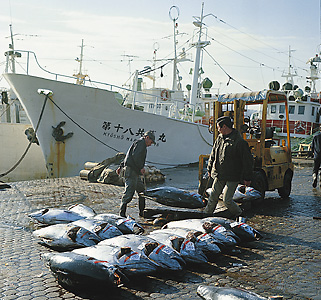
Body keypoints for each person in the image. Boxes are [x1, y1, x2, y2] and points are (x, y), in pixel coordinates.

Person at [204, 116, 253, 217]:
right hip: (219, 174)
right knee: (213, 196)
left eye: (218, 127)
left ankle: (239, 214)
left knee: (227, 200)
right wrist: (209, 169)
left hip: (232, 176)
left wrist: (247, 178)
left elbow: (247, 162)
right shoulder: (219, 138)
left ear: (225, 127)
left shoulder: (240, 143)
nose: (217, 130)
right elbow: (213, 154)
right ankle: (206, 215)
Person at [117, 130, 156, 217]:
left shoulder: (140, 143)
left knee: (142, 191)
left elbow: (128, 155)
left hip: (135, 171)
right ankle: (121, 214)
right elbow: (135, 156)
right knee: (129, 192)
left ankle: (142, 212)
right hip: (131, 171)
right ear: (147, 137)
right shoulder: (141, 143)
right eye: (151, 141)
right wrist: (141, 167)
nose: (151, 144)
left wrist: (121, 166)